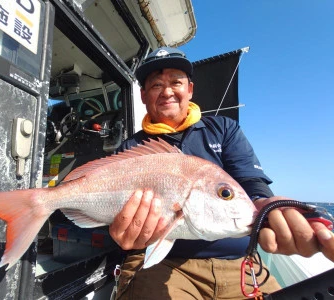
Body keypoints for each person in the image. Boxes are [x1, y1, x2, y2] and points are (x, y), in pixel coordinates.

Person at [108, 47, 334, 299]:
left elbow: (251, 180)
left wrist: (264, 203)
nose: (167, 91)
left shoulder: (224, 128)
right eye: (156, 85)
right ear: (143, 95)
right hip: (160, 263)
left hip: (239, 264)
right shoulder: (131, 148)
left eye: (176, 82)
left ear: (190, 90)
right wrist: (121, 236)